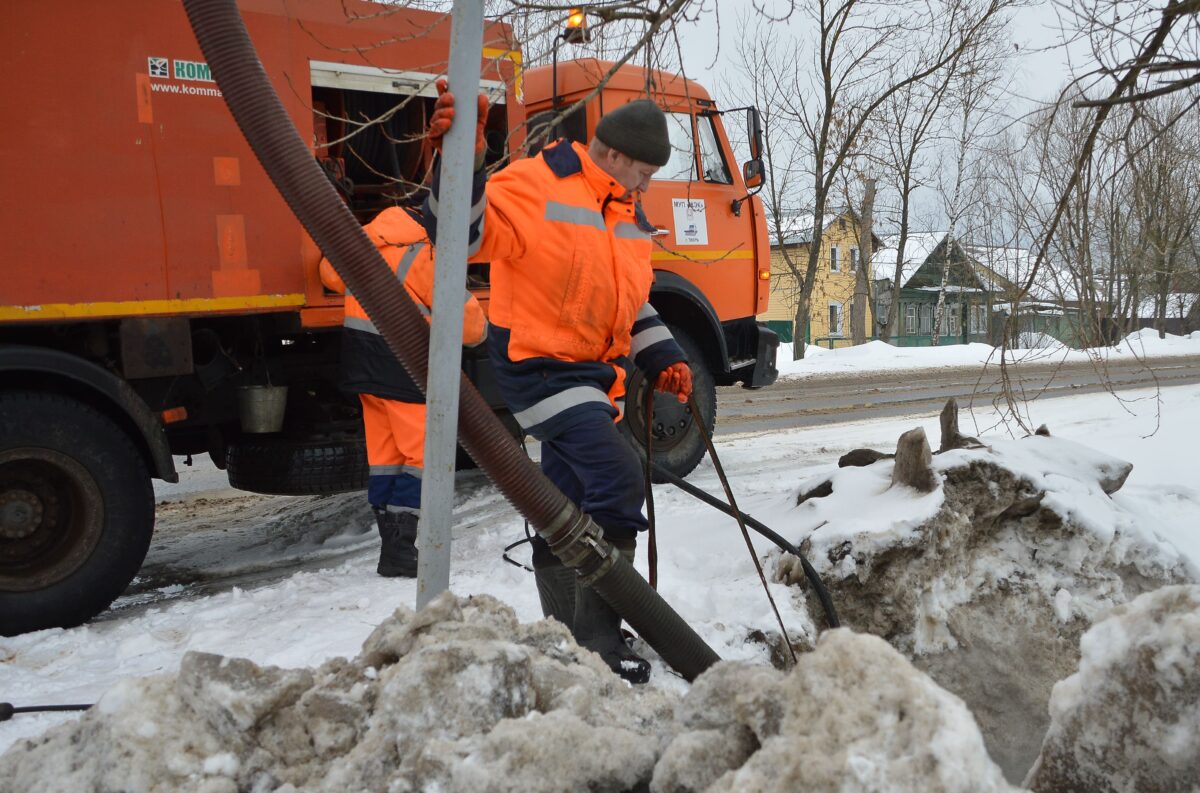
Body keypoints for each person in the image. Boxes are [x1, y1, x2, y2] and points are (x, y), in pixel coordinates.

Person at [421, 82, 693, 683]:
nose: (646, 186)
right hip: (538, 368)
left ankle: (566, 630)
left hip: (594, 376)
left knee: (563, 500)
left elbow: (631, 301)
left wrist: (663, 356)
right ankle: (598, 639)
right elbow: (458, 235)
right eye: (644, 173)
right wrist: (462, 158)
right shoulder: (533, 184)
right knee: (618, 478)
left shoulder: (626, 210)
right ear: (614, 155)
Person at [320, 206, 487, 577]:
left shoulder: (363, 243)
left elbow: (328, 274)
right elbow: (468, 323)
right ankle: (400, 547)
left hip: (365, 371)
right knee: (423, 458)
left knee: (386, 458)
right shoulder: (425, 255)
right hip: (403, 371)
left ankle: (392, 548)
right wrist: (485, 334)